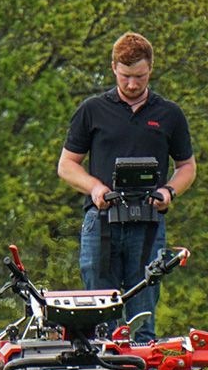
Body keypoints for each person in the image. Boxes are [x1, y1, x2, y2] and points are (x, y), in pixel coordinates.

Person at [57, 31, 196, 344]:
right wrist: (94, 188)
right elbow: (66, 165)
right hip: (102, 220)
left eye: (140, 76)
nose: (133, 84)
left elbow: (187, 167)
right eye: (126, 76)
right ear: (113, 68)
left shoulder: (169, 114)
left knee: (142, 309)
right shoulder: (92, 110)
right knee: (98, 309)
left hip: (148, 222)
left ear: (151, 70)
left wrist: (168, 192)